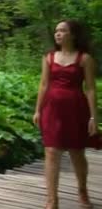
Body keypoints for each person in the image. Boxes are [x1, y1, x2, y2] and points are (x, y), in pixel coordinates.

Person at [33, 19, 101, 209]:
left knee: (76, 153)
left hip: (76, 110)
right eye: (56, 31)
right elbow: (44, 84)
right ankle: (52, 200)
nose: (58, 34)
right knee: (51, 152)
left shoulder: (85, 59)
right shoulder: (49, 57)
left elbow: (90, 89)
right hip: (52, 110)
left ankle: (82, 191)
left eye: (63, 30)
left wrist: (94, 117)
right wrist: (38, 109)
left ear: (73, 35)